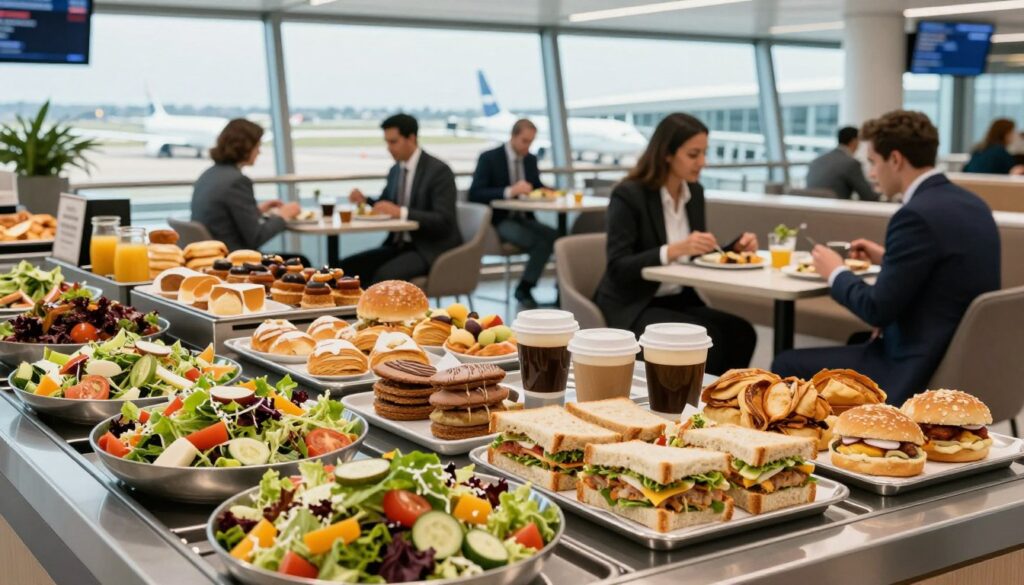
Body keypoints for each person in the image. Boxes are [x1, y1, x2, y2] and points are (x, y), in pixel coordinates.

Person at [773, 110, 1001, 404]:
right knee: (856, 341)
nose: (870, 173)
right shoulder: (973, 204)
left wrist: (835, 272)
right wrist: (887, 257)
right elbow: (947, 271)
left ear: (895, 159)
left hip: (916, 366)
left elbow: (876, 309)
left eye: (872, 162)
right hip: (967, 359)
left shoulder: (915, 216)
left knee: (786, 364)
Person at [593, 113, 758, 375]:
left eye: (704, 153)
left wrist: (731, 250)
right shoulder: (629, 195)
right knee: (709, 341)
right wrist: (673, 250)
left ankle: (723, 403)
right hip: (635, 303)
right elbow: (618, 267)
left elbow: (693, 254)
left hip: (677, 298)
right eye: (693, 155)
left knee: (742, 332)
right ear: (666, 154)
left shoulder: (695, 193)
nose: (702, 162)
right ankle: (691, 408)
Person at [342, 114, 461, 284]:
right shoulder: (396, 170)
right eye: (387, 142)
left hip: (429, 248)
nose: (388, 148)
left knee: (382, 278)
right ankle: (350, 312)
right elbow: (385, 204)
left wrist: (401, 212)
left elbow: (444, 220)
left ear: (411, 138)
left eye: (393, 142)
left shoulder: (439, 171)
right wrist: (365, 200)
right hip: (398, 246)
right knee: (345, 269)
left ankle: (368, 311)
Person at [469, 119, 558, 308]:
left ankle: (561, 290)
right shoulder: (490, 158)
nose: (528, 147)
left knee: (558, 238)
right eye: (525, 141)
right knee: (540, 242)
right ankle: (524, 288)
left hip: (524, 217)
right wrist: (510, 191)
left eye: (531, 142)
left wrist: (549, 190)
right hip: (499, 221)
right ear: (513, 136)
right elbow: (475, 193)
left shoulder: (530, 159)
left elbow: (535, 185)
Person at [191, 119, 300, 251]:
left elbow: (223, 222)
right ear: (245, 147)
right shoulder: (237, 181)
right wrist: (283, 215)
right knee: (302, 261)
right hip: (234, 261)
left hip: (211, 256)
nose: (259, 152)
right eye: (257, 146)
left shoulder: (208, 175)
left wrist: (257, 211)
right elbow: (256, 237)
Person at [804, 126, 880, 201]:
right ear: (854, 141)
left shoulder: (816, 160)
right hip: (836, 210)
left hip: (811, 209)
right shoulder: (851, 163)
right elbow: (869, 196)